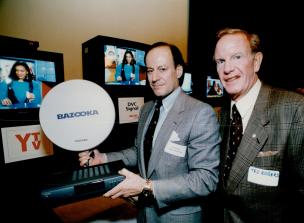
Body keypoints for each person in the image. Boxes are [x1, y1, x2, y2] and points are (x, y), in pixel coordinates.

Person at [79, 42, 221, 222]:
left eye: (162, 69)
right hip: (145, 214)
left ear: (178, 71)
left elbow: (206, 179)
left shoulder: (200, 112)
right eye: (150, 70)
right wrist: (104, 158)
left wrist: (147, 187)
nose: (154, 77)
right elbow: (139, 152)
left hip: (177, 217)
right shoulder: (146, 109)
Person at [212, 28, 304, 222]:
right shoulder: (217, 116)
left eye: (236, 57)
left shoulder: (297, 110)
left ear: (256, 61)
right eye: (220, 61)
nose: (227, 68)